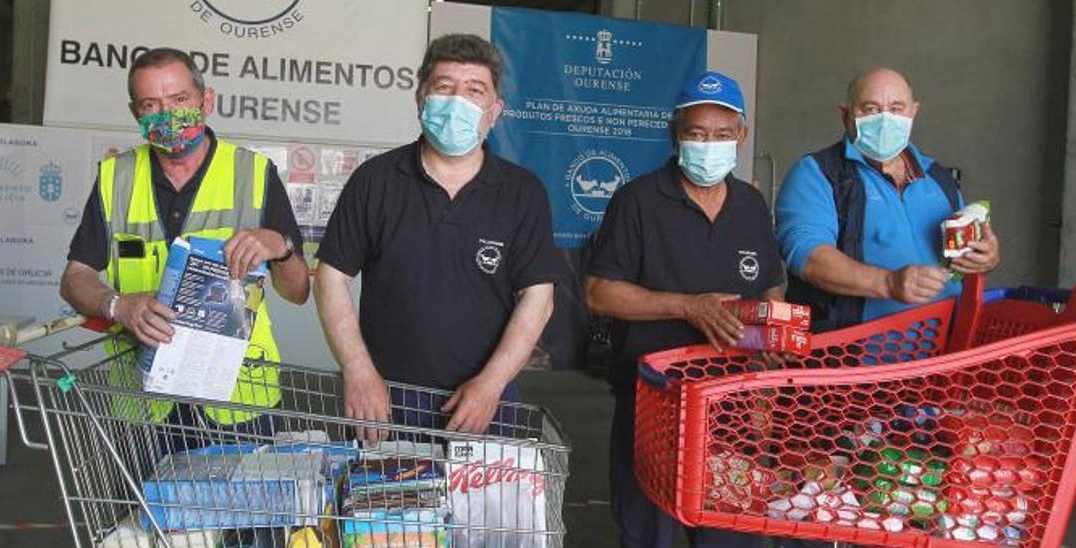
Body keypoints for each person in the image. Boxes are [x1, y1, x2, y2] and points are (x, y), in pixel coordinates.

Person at [314, 34, 559, 439]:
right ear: (421, 99)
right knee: (382, 502)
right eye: (444, 87)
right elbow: (331, 278)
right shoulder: (375, 182)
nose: (457, 101)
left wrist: (492, 384)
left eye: (474, 90)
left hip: (484, 402)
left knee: (481, 506)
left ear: (495, 111)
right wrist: (358, 371)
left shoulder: (522, 192)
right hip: (385, 398)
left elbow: (538, 297)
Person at [60, 47, 310, 431]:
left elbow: (297, 292)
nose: (169, 116)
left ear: (206, 100)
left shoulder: (254, 173)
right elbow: (75, 278)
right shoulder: (115, 177)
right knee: (136, 495)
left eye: (180, 100)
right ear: (135, 113)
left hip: (238, 401)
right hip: (142, 402)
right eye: (151, 105)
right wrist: (116, 305)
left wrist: (282, 246)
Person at [586, 71, 780, 548]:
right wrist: (688, 307)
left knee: (730, 532)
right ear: (675, 135)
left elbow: (771, 289)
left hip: (731, 407)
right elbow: (599, 293)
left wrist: (766, 369)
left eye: (720, 135)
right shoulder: (638, 201)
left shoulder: (751, 205)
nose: (708, 145)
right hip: (655, 401)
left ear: (741, 136)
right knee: (646, 531)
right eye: (695, 134)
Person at [776, 68, 1000, 333]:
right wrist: (888, 283)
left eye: (896, 108)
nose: (885, 120)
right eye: (871, 109)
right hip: (851, 359)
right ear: (845, 114)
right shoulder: (817, 174)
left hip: (943, 354)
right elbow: (810, 260)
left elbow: (958, 254)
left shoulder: (936, 176)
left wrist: (984, 257)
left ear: (913, 112)